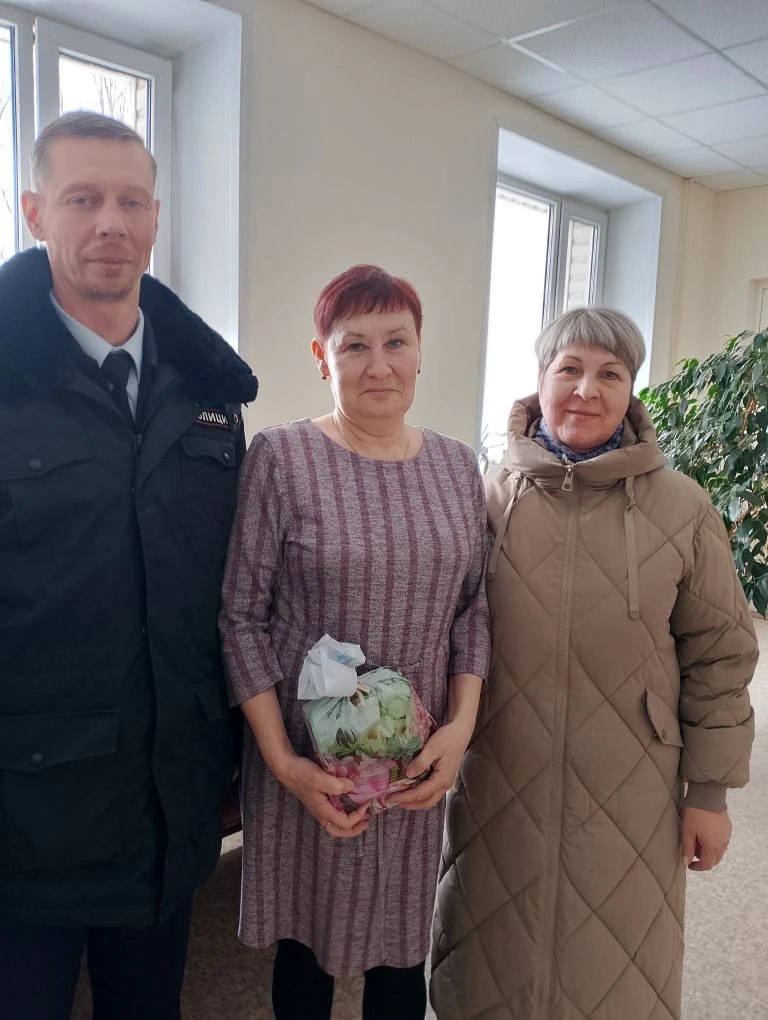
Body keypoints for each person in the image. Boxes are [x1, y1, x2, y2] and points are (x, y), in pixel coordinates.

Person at [0, 112, 257, 1020]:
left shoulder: (210, 394)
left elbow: (230, 585)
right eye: (82, 199)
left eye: (131, 201)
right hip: (28, 812)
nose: (110, 222)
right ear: (35, 212)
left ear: (155, 218)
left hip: (168, 799)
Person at [431, 308, 758, 1020]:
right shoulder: (487, 496)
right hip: (499, 774)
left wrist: (710, 792)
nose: (586, 389)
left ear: (631, 389)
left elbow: (722, 652)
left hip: (632, 783)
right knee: (488, 961)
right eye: (570, 369)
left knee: (616, 970)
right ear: (540, 379)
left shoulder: (681, 506)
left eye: (610, 374)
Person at [220, 264, 491, 1019]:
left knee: (401, 955)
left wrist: (461, 729)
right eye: (355, 345)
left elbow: (473, 609)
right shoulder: (281, 458)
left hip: (417, 761)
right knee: (305, 954)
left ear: (420, 350)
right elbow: (240, 616)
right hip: (309, 764)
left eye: (396, 342)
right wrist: (285, 764)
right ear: (322, 357)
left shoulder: (456, 466)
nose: (379, 366)